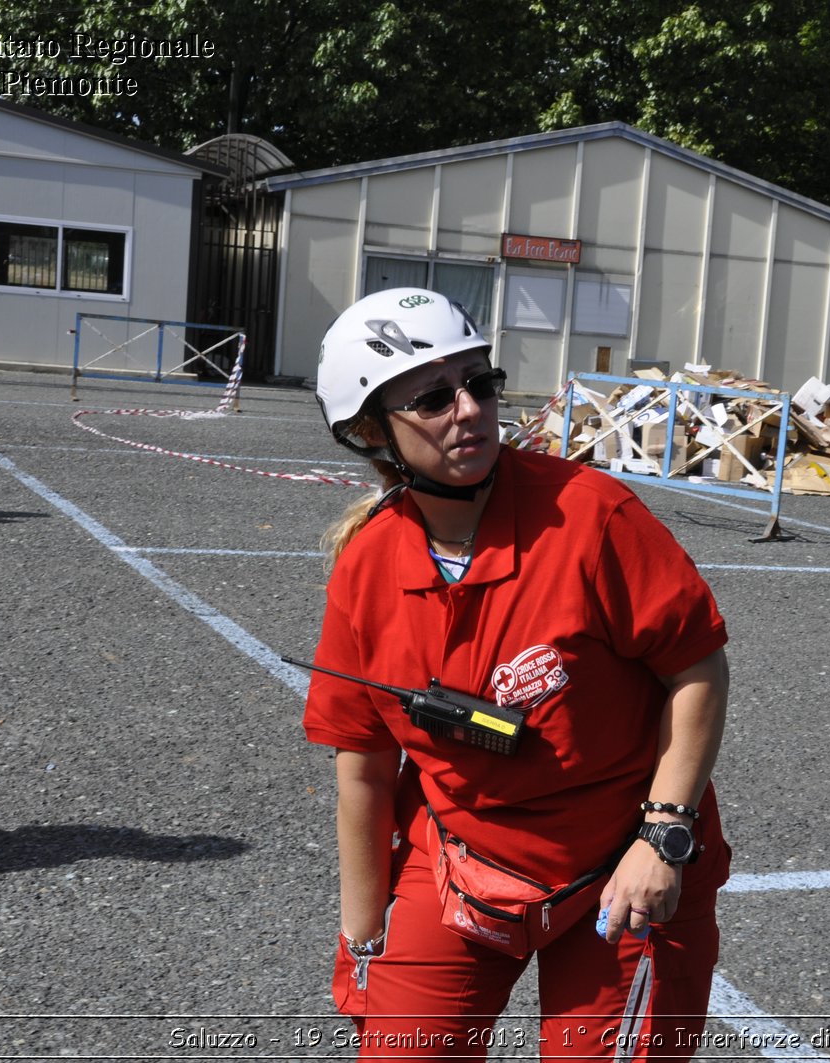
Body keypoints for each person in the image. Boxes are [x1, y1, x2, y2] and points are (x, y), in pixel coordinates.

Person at [301, 287, 732, 1059]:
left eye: (481, 382)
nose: (468, 408)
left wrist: (664, 834)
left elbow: (697, 668)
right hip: (462, 860)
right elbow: (363, 765)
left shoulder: (590, 515)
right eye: (433, 397)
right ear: (373, 432)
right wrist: (362, 936)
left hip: (620, 857)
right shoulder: (365, 566)